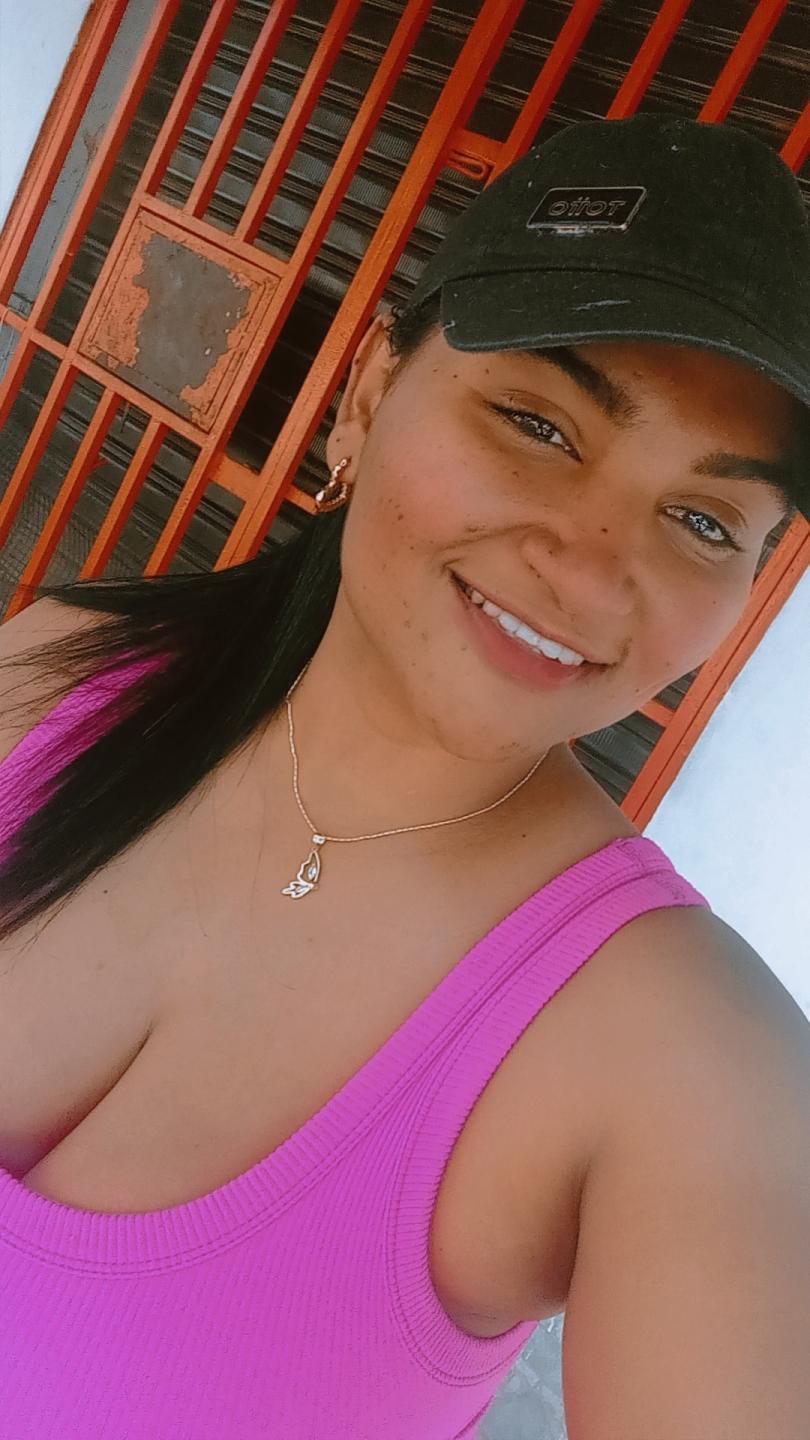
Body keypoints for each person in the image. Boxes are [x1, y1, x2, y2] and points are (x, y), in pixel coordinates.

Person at [0, 113, 808, 1439]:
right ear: (370, 393)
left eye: (704, 520)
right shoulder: (51, 675)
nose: (592, 569)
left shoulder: (690, 1065)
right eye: (539, 424)